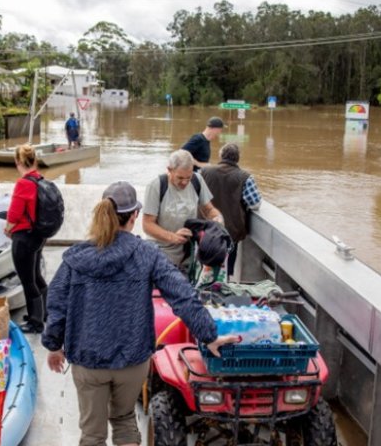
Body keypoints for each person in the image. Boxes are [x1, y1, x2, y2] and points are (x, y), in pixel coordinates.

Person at [42, 181, 238, 446]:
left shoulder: (75, 259)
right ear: (134, 216)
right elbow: (182, 294)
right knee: (123, 420)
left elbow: (56, 303)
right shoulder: (147, 254)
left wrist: (54, 346)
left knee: (92, 434)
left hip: (88, 361)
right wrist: (209, 335)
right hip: (132, 363)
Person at [143, 150, 223, 269]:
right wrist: (172, 237)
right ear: (169, 170)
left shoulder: (197, 180)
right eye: (180, 178)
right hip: (161, 253)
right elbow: (147, 225)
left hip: (188, 254)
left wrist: (218, 219)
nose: (185, 182)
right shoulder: (156, 186)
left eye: (188, 177)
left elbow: (209, 210)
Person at [200, 143, 262, 278]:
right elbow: (255, 204)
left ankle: (201, 288)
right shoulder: (245, 177)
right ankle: (222, 287)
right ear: (237, 159)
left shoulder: (204, 172)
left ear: (221, 156)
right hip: (230, 232)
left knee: (202, 266)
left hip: (205, 229)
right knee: (226, 268)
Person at [4, 144, 48, 333]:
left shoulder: (23, 183)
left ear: (18, 162)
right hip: (38, 235)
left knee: (27, 280)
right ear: (34, 160)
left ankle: (35, 322)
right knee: (37, 276)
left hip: (24, 238)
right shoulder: (39, 179)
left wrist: (7, 229)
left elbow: (14, 215)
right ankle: (44, 312)